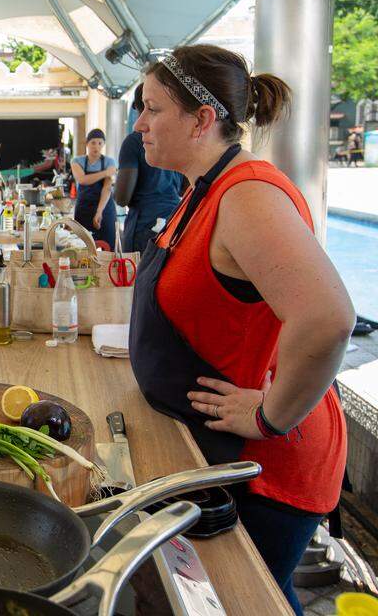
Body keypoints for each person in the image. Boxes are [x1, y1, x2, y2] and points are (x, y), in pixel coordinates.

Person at [128, 45, 354, 615]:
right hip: (215, 449)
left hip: (264, 464)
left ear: (202, 119)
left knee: (250, 604)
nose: (139, 124)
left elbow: (327, 318)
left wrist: (269, 415)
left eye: (152, 109)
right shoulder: (201, 188)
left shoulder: (247, 193)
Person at [115, 84, 185, 252]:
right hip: (174, 221)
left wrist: (113, 190)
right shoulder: (176, 140)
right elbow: (185, 188)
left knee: (137, 277)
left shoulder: (134, 141)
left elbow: (122, 197)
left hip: (143, 224)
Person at [70, 128, 116, 247]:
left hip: (104, 207)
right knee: (82, 246)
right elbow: (82, 180)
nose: (96, 146)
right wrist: (106, 173)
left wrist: (99, 212)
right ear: (87, 144)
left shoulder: (109, 161)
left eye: (100, 143)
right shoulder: (77, 161)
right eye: (93, 143)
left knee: (107, 246)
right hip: (83, 208)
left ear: (103, 144)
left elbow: (106, 188)